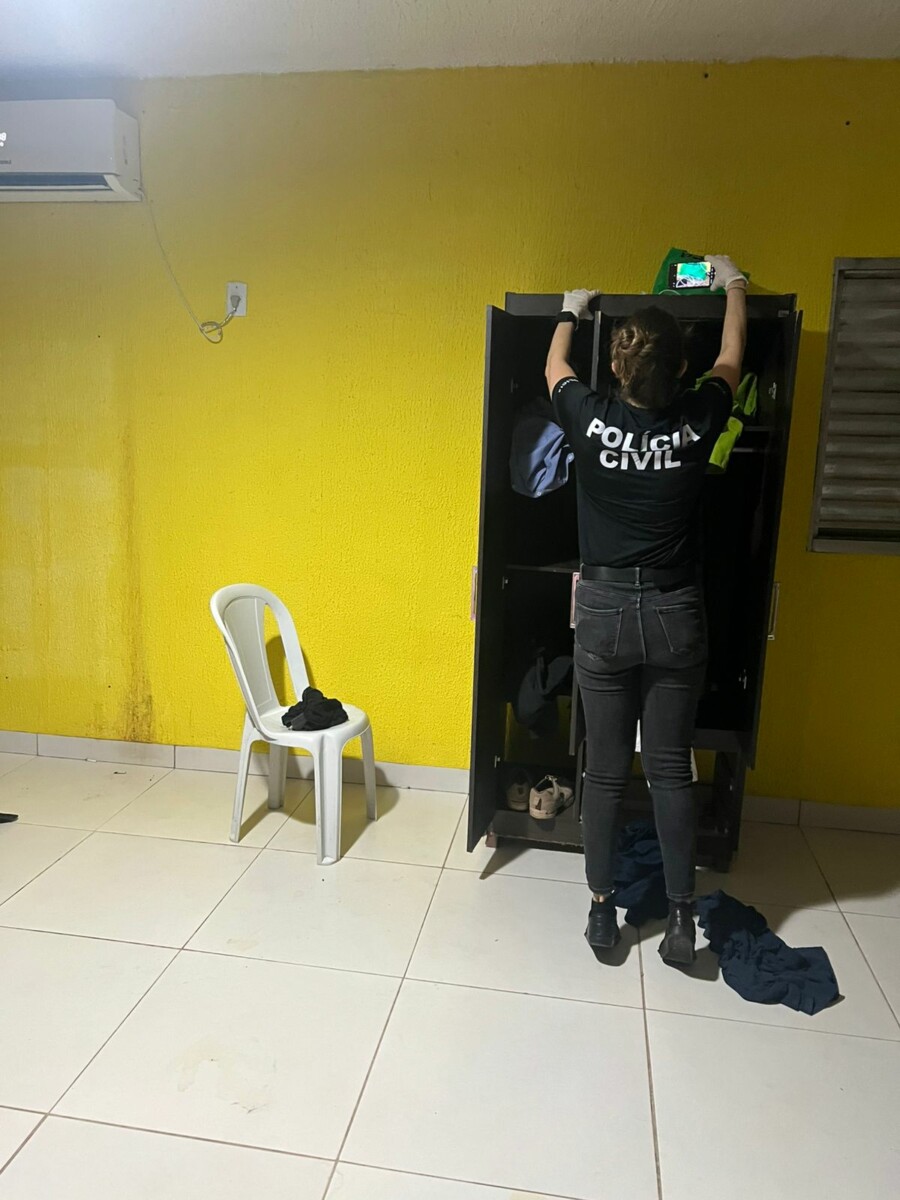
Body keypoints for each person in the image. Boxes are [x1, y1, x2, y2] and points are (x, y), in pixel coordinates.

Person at [544, 256, 747, 965]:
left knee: (604, 773)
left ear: (618, 367)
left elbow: (554, 369)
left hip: (602, 611)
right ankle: (682, 918)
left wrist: (570, 308)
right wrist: (734, 284)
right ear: (680, 370)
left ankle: (603, 911)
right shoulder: (698, 416)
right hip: (673, 611)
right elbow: (732, 355)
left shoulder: (590, 416)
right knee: (669, 770)